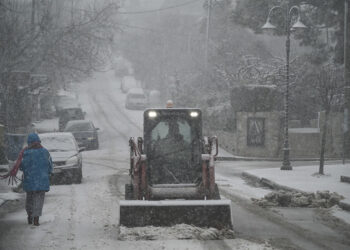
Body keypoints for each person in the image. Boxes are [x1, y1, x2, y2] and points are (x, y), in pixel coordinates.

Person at [19, 133, 52, 226]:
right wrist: (48, 172)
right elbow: (50, 165)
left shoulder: (25, 153)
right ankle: (36, 218)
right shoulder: (45, 152)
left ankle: (30, 215)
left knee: (29, 199)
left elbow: (21, 166)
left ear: (29, 142)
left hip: (29, 181)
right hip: (42, 181)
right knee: (39, 200)